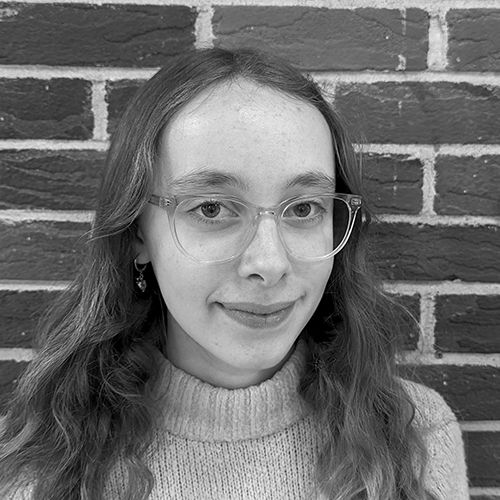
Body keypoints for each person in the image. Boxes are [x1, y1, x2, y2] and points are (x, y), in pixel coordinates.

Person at [0, 47, 468, 500]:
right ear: (138, 232)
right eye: (212, 208)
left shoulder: (415, 438)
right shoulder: (36, 465)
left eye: (304, 208)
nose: (269, 264)